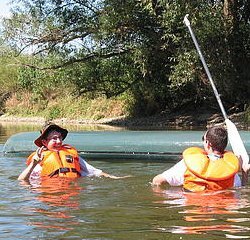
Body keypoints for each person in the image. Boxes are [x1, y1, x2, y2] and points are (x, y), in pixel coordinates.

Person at [18, 122, 129, 182]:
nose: (59, 141)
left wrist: (115, 178)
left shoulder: (70, 154)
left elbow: (94, 171)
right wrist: (33, 164)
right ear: (44, 142)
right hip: (50, 193)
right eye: (54, 138)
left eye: (60, 138)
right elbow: (21, 181)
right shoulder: (39, 159)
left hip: (71, 193)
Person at [152, 125, 248, 192]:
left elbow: (157, 181)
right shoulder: (231, 172)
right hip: (220, 208)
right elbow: (240, 191)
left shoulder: (188, 164)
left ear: (208, 144)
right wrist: (245, 174)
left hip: (194, 209)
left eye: (204, 139)